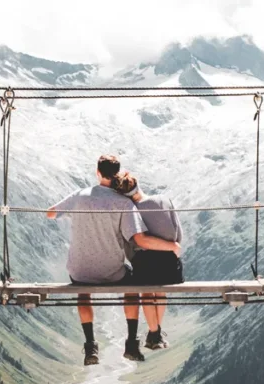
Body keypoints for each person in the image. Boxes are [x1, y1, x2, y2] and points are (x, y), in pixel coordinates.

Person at [47, 155, 181, 366]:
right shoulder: (123, 203)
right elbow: (140, 239)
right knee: (133, 284)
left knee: (82, 291)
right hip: (112, 271)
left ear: (97, 172)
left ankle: (90, 345)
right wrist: (171, 246)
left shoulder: (79, 196)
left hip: (80, 270)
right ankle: (131, 343)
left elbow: (51, 213)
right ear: (117, 173)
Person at [119, 175, 183, 350]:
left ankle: (154, 333)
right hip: (170, 266)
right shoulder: (164, 200)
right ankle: (155, 333)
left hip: (144, 264)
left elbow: (130, 243)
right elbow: (178, 235)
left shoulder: (130, 210)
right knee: (160, 292)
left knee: (147, 292)